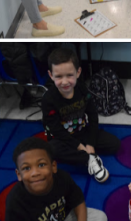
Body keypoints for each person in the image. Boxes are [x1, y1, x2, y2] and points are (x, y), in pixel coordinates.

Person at [6, 137, 123, 221]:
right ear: (19, 174)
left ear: (53, 166)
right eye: (26, 168)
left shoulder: (62, 178)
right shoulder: (15, 201)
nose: (35, 173)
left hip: (65, 218)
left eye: (41, 165)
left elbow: (78, 201)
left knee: (100, 219)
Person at [41, 48, 120, 183]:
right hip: (62, 139)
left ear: (78, 72)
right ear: (51, 75)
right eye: (59, 76)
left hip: (82, 131)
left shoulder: (82, 89)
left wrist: (90, 143)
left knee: (114, 144)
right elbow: (56, 130)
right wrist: (80, 147)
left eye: (69, 75)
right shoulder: (48, 99)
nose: (65, 82)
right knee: (51, 150)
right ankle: (90, 158)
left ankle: (86, 154)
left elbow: (93, 115)